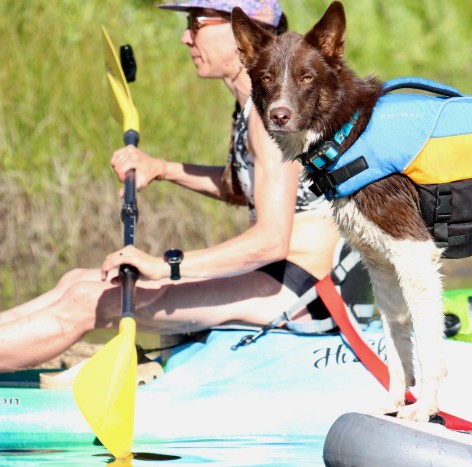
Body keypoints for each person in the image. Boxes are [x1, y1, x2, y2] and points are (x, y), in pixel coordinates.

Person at [0, 0, 342, 372]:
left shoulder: (269, 119)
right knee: (77, 280)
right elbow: (249, 187)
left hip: (295, 288)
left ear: (244, 32)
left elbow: (271, 240)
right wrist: (163, 168)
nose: (185, 37)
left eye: (196, 24)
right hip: (274, 276)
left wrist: (166, 267)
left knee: (87, 299)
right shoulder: (255, 106)